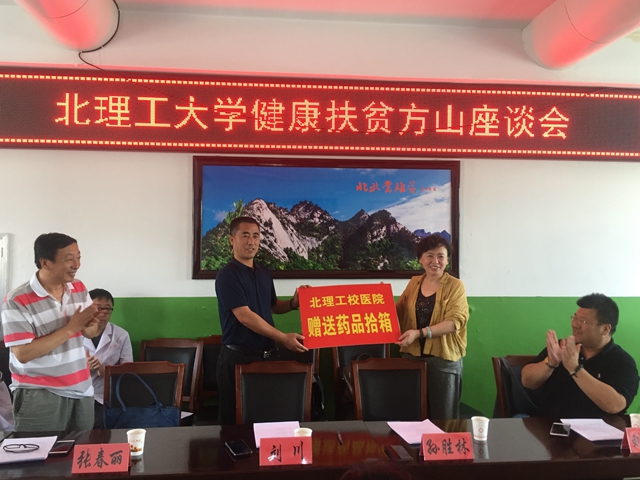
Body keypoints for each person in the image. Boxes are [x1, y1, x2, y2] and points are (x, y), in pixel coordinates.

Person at [0, 233, 98, 432]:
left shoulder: (78, 287)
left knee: (81, 449)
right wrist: (71, 327)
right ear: (45, 263)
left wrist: (89, 325)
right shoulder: (17, 300)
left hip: (82, 389)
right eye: (69, 259)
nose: (77, 265)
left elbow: (90, 332)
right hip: (40, 394)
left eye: (78, 257)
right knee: (40, 451)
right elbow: (23, 353)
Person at [215, 216, 308, 425]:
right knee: (234, 425)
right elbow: (245, 316)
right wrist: (282, 338)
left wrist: (293, 303)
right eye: (245, 235)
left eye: (256, 236)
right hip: (238, 358)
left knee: (268, 418)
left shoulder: (264, 273)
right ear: (232, 240)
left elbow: (272, 306)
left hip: (268, 357)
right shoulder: (227, 275)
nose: (251, 241)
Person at [521, 293, 638, 418]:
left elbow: (615, 405)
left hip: (598, 428)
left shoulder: (622, 361)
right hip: (549, 424)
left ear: (605, 329)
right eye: (574, 318)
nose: (575, 324)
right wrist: (550, 363)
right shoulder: (562, 347)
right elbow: (527, 381)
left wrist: (575, 368)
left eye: (583, 321)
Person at [395, 233, 469, 419]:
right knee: (412, 417)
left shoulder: (455, 286)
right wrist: (379, 298)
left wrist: (420, 333)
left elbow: (455, 322)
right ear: (420, 259)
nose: (435, 261)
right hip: (411, 359)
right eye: (429, 255)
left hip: (443, 362)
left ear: (447, 260)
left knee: (443, 419)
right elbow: (397, 312)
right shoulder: (414, 283)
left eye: (440, 256)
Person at [83, 288, 133, 429]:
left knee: (98, 423)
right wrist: (83, 365)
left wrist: (103, 371)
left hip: (105, 396)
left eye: (108, 309)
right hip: (77, 394)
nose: (103, 313)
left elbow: (128, 373)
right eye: (99, 308)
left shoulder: (121, 335)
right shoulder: (74, 333)